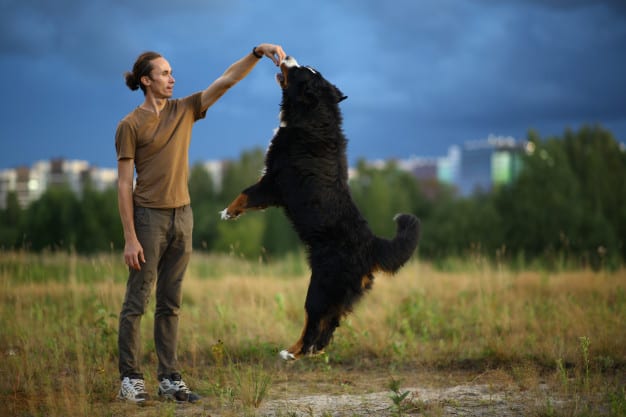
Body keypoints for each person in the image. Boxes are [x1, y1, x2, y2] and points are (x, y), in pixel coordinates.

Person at [115, 43, 286, 403]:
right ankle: (130, 379)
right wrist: (130, 237)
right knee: (137, 301)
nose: (172, 79)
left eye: (171, 72)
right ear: (147, 81)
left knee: (170, 302)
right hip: (149, 217)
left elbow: (225, 81)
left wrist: (256, 53)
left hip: (184, 214)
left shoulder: (185, 109)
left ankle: (169, 379)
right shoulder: (130, 125)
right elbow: (123, 183)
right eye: (164, 73)